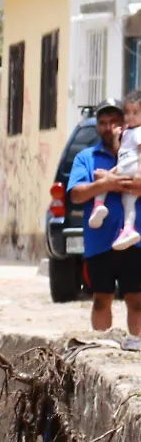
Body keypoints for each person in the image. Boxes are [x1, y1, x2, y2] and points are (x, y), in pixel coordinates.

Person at [68, 100, 141, 348]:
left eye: (114, 122)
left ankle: (136, 344)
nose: (109, 127)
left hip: (136, 239)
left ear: (125, 122)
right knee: (101, 298)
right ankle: (101, 346)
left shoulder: (138, 154)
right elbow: (76, 194)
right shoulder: (86, 157)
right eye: (103, 123)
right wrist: (104, 185)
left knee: (137, 298)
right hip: (100, 242)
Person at [86, 91, 141, 249]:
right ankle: (129, 229)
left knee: (104, 179)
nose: (130, 117)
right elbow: (120, 153)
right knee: (128, 201)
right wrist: (118, 138)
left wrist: (138, 173)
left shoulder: (138, 132)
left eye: (135, 113)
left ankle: (99, 205)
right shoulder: (127, 133)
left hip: (130, 166)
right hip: (125, 163)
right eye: (128, 113)